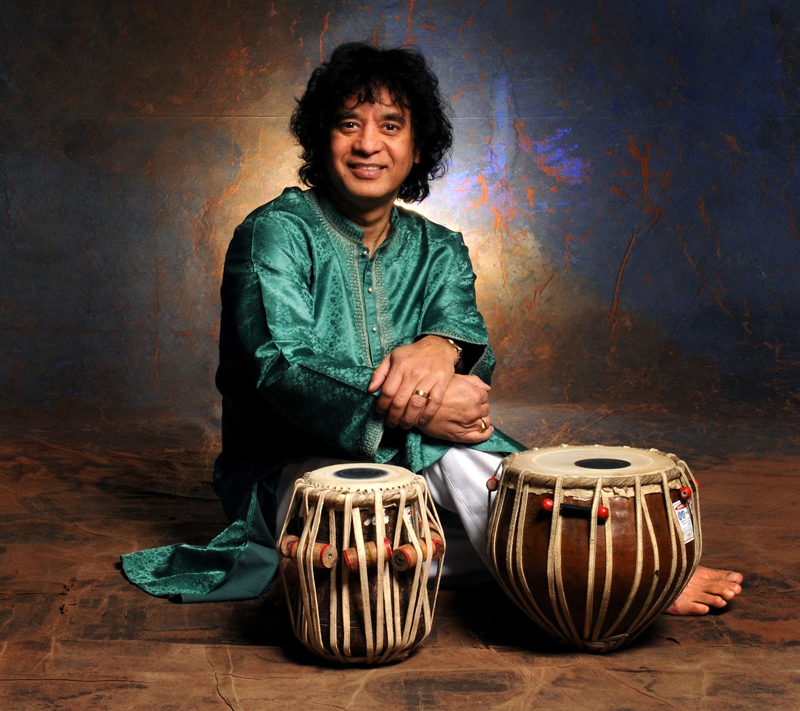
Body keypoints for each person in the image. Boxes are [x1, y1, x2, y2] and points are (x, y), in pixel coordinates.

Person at [121, 42, 742, 615]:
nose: (369, 145)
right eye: (348, 124)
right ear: (321, 140)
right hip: (293, 474)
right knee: (451, 469)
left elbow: (473, 349)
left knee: (454, 484)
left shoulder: (438, 247)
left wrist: (439, 347)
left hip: (419, 480)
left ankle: (574, 566)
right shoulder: (274, 234)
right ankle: (610, 574)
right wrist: (418, 411)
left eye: (390, 126)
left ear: (417, 148)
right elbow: (278, 365)